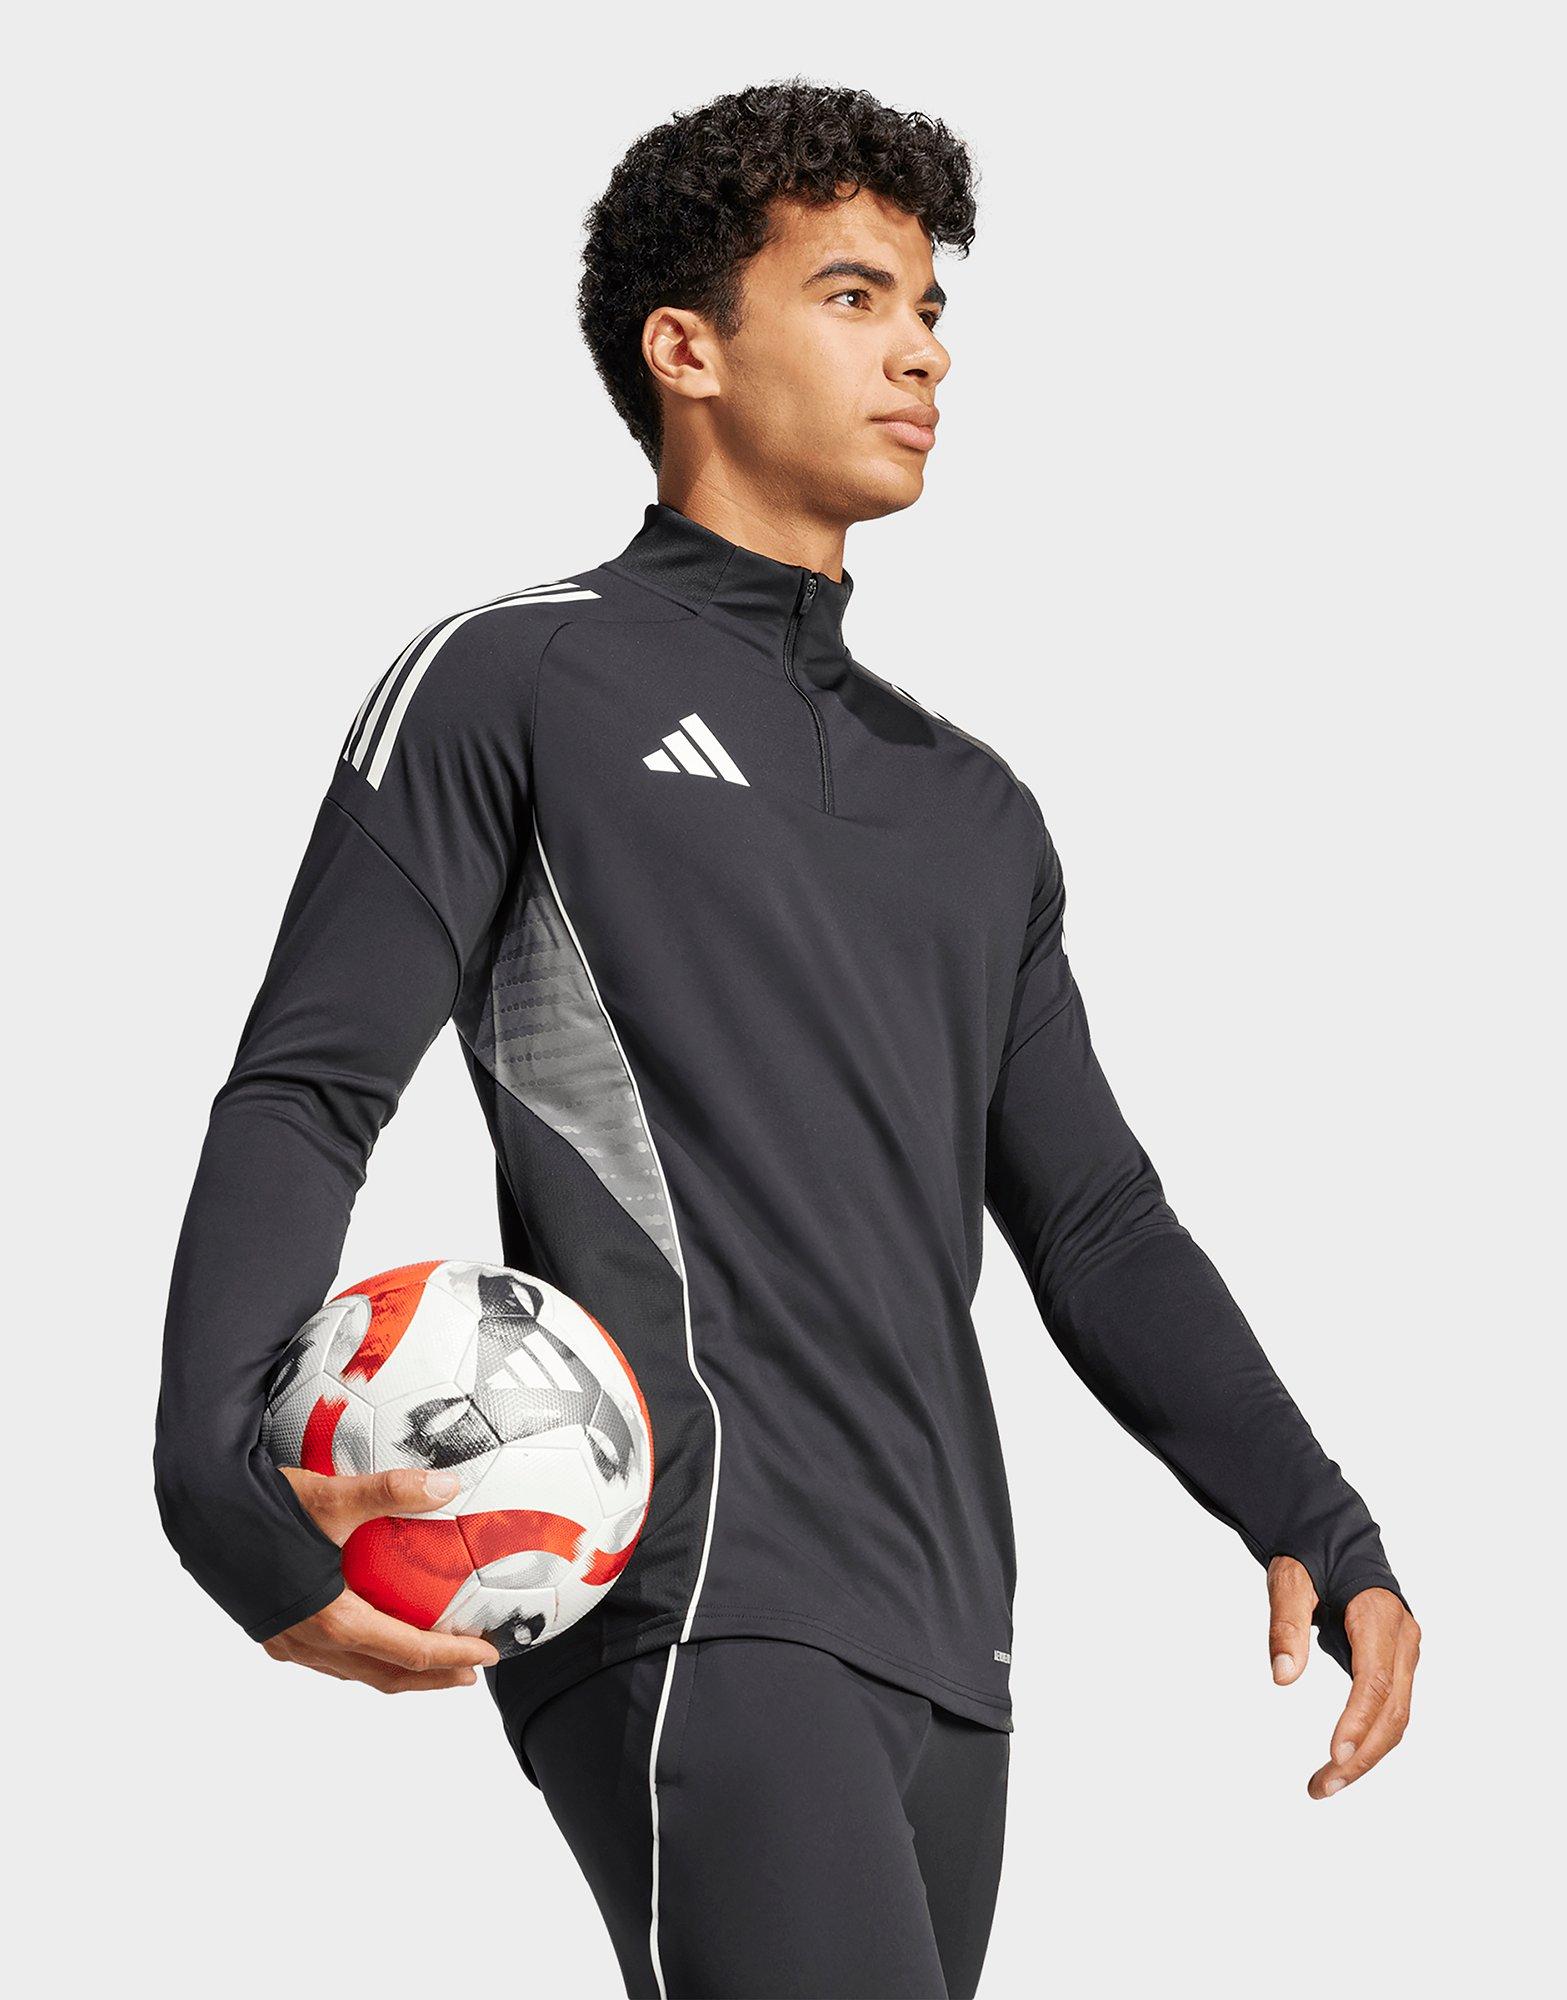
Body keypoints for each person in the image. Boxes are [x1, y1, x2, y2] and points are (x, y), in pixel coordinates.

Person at [155, 80, 1420, 2000]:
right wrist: (221, 1495)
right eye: (852, 296)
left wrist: (1319, 1519)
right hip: (695, 1593)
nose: (923, 351)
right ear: (688, 351)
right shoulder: (520, 679)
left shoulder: (972, 807)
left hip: (953, 1637)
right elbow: (311, 1090)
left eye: (931, 308)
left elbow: (1095, 1221)